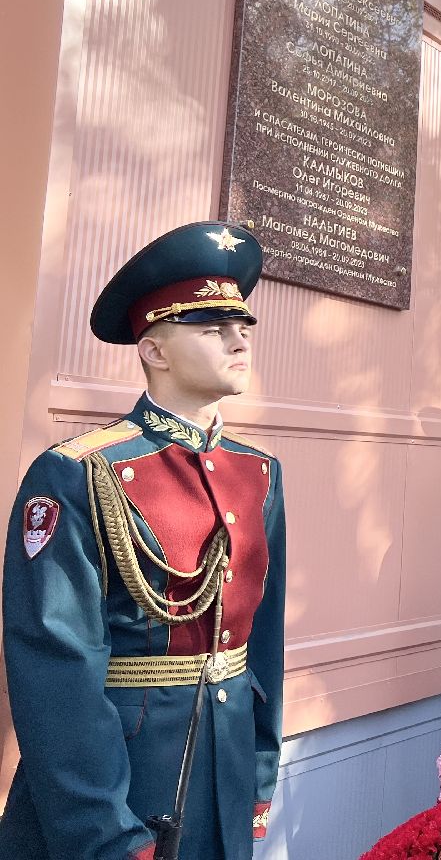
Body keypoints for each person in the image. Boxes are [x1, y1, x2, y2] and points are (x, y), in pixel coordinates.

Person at [0, 222, 286, 859]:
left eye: (242, 326)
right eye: (213, 329)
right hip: (123, 780)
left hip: (228, 765)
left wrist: (260, 770)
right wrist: (106, 830)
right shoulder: (78, 471)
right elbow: (56, 668)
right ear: (154, 350)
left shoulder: (258, 473)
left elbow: (260, 643)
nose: (239, 340)